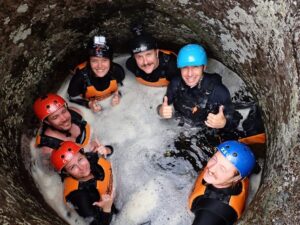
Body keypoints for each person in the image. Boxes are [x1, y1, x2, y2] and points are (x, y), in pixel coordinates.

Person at [157, 44, 240, 130]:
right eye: (185, 67)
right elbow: (164, 105)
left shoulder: (218, 91)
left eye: (195, 67)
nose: (189, 74)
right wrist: (160, 111)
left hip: (206, 129)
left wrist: (224, 123)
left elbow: (235, 120)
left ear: (204, 67)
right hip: (182, 125)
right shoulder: (176, 83)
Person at [188, 140, 256, 225]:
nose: (212, 168)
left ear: (236, 178)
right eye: (214, 159)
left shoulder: (211, 212)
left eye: (222, 169)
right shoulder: (240, 172)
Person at [50, 141, 115, 225]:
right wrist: (107, 208)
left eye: (80, 159)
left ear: (84, 155)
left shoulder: (91, 159)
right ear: (66, 173)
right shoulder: (78, 196)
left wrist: (106, 150)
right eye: (72, 167)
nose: (81, 167)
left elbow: (111, 149)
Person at [68, 35, 125, 112]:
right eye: (94, 61)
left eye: (104, 60)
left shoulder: (117, 71)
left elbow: (123, 87)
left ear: (110, 61)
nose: (100, 66)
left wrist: (119, 95)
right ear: (89, 62)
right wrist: (88, 104)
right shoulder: (79, 78)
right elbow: (72, 98)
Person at [33, 93, 91, 160]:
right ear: (47, 122)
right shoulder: (49, 149)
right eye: (55, 117)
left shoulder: (76, 113)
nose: (64, 119)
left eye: (63, 111)